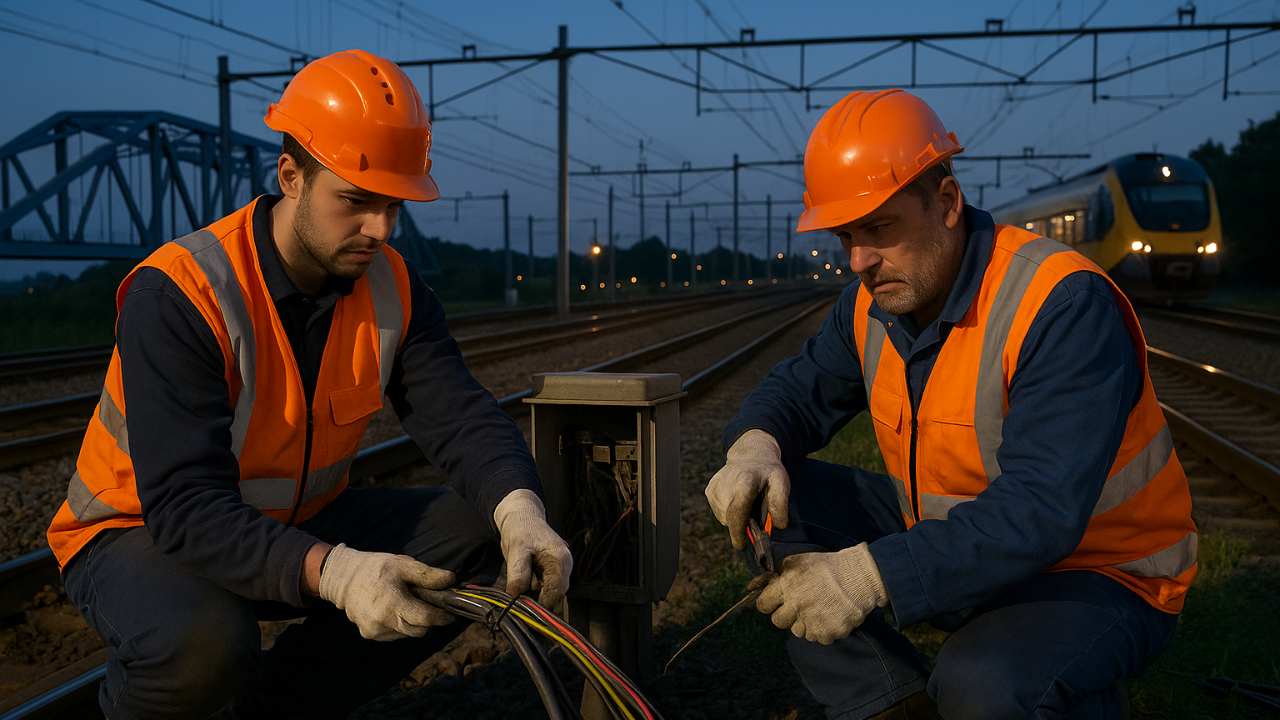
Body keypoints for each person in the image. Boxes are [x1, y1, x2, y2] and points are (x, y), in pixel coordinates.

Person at [46, 49, 572, 720]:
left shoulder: (398, 289)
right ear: (290, 175)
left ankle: (270, 713)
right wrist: (339, 572)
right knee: (204, 642)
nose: (379, 229)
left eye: (393, 205)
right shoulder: (181, 292)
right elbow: (184, 506)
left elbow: (461, 418)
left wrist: (520, 510)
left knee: (478, 524)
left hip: (294, 523)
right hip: (141, 529)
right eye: (355, 201)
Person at [705, 89, 1198, 720]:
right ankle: (890, 702)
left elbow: (1041, 511)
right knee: (770, 499)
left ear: (946, 203)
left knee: (982, 682)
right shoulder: (874, 301)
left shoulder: (1061, 304)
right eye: (845, 235)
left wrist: (868, 576)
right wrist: (755, 444)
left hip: (1099, 571)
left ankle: (1062, 687)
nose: (858, 259)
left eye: (878, 229)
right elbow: (797, 390)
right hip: (957, 538)